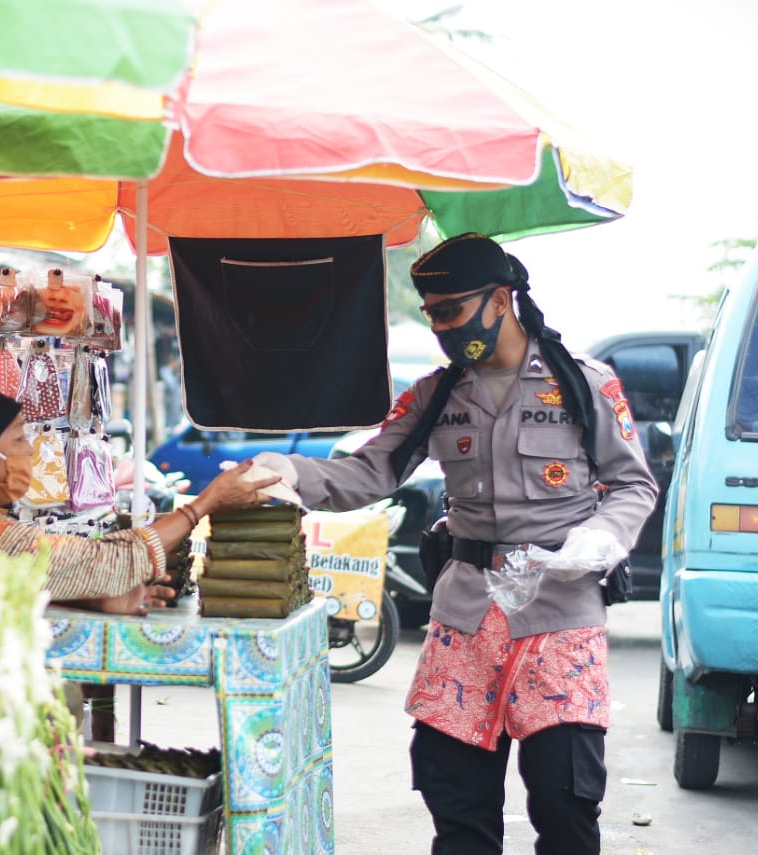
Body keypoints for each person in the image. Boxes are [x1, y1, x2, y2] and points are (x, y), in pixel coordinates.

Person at [252, 233, 658, 855]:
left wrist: (603, 537)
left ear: (500, 300)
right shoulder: (435, 395)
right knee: (457, 804)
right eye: (433, 313)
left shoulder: (582, 383)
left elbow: (632, 483)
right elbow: (370, 473)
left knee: (564, 799)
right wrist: (291, 473)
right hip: (465, 618)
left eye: (452, 310)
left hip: (561, 614)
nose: (442, 326)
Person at [0, 370, 278, 616]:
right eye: (18, 438)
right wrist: (205, 504)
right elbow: (102, 557)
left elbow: (4, 587)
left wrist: (90, 596)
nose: (31, 449)